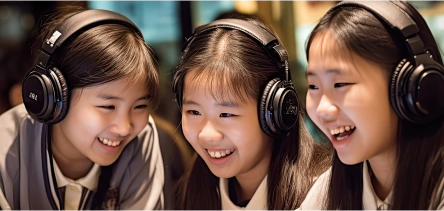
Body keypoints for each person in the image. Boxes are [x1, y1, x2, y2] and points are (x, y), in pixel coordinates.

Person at [0, 6, 164, 210]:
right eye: (107, 106)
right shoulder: (5, 147)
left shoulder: (141, 138)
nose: (124, 128)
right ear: (54, 96)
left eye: (140, 106)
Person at [172, 16, 331, 211]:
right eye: (194, 112)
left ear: (275, 111)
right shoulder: (193, 192)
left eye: (226, 114)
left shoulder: (323, 197)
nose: (207, 134)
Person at [298, 0, 444, 210]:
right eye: (313, 86)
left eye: (340, 84)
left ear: (413, 86)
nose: (322, 109)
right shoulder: (331, 189)